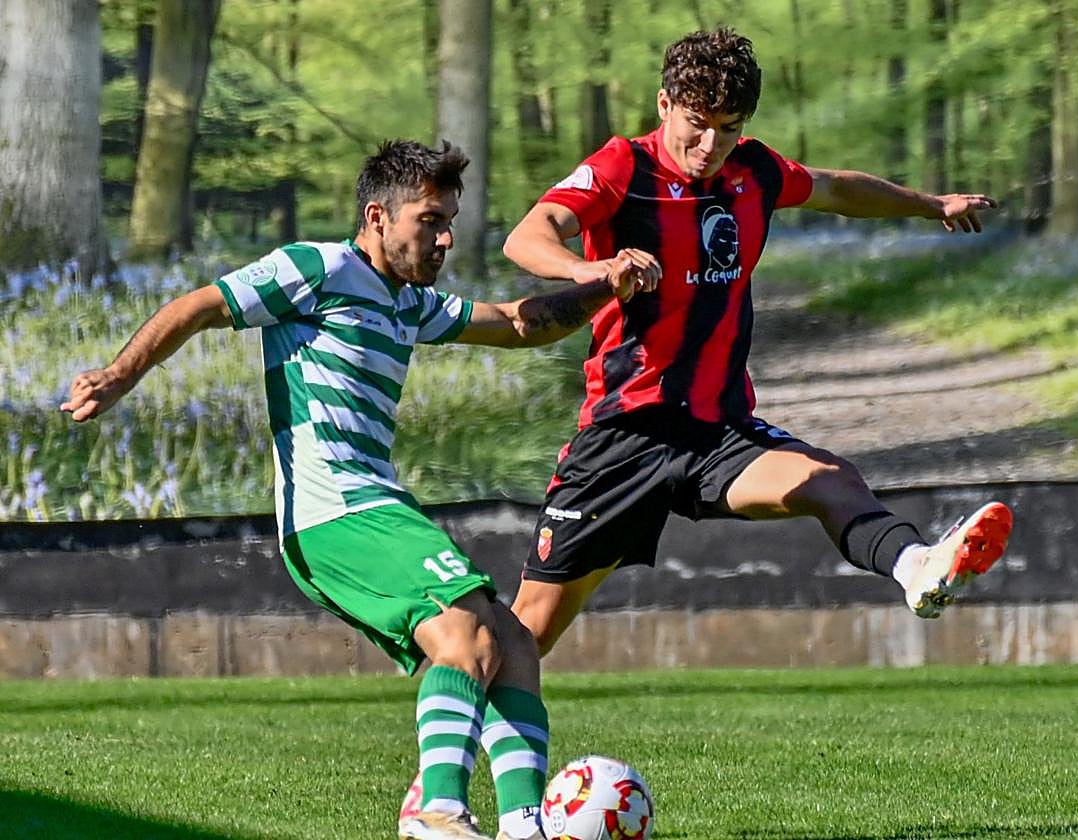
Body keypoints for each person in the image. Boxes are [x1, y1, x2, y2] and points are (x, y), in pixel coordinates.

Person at [60, 139, 645, 840]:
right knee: (464, 636)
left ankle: (524, 826)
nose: (445, 236)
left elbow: (518, 323)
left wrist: (602, 285)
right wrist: (120, 374)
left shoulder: (411, 303)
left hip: (371, 506)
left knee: (513, 642)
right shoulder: (318, 268)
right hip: (333, 511)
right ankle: (437, 815)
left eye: (450, 220)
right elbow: (199, 305)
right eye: (429, 219)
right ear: (377, 215)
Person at [500, 27, 1016, 656]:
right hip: (622, 439)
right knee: (522, 640)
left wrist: (930, 204)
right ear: (664, 105)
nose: (711, 144)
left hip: (717, 433)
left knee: (830, 479)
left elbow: (836, 188)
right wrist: (591, 269)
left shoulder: (755, 170)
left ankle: (919, 568)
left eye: (730, 127)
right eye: (697, 123)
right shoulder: (622, 167)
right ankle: (451, 744)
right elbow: (529, 234)